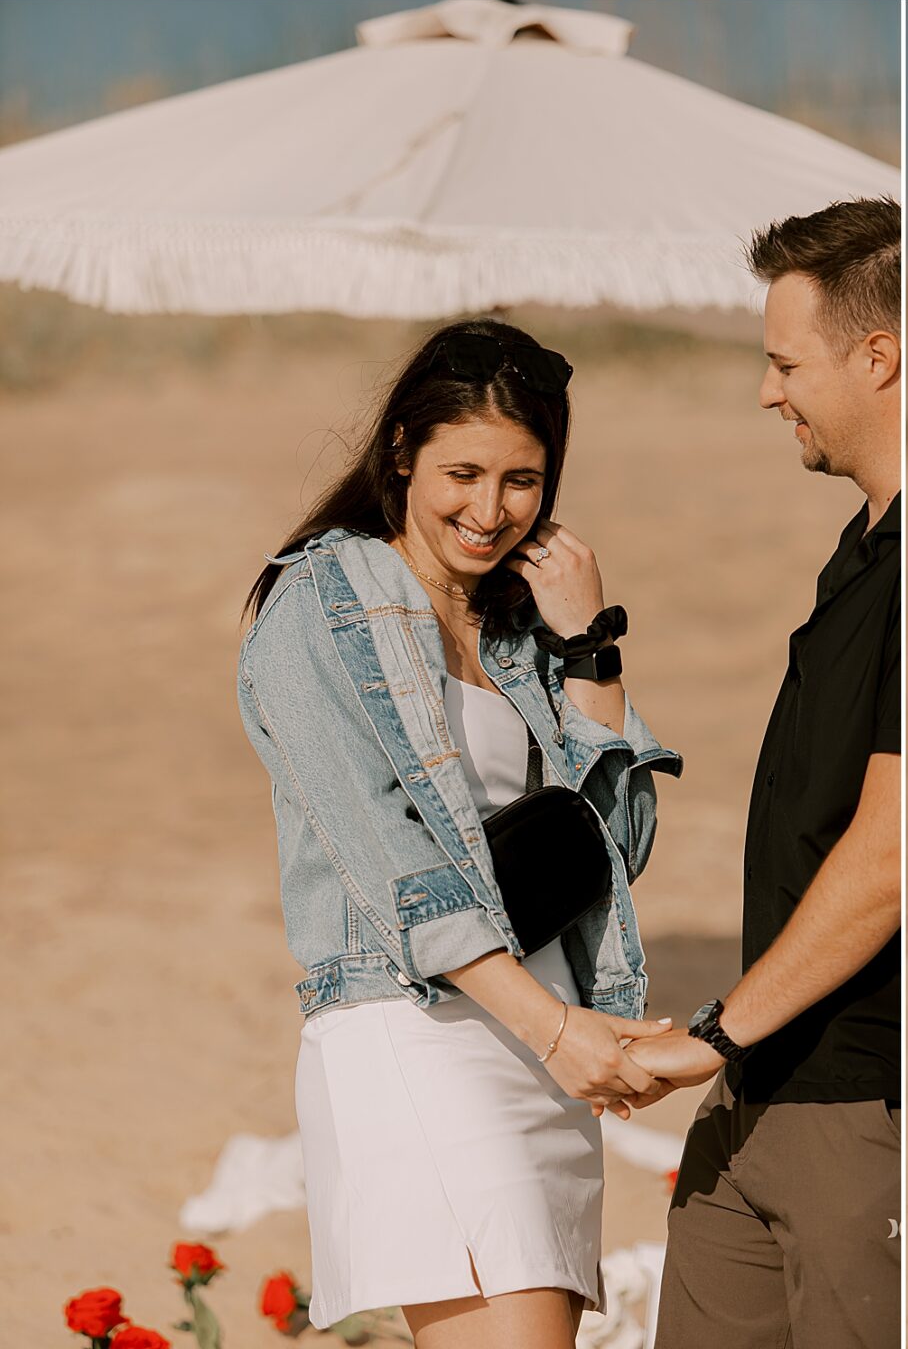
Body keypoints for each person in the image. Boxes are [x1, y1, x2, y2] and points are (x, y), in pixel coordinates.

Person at [238, 320, 681, 1349]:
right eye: (464, 472)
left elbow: (611, 845)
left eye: (522, 480)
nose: (490, 511)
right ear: (401, 451)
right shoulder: (317, 603)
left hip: (539, 1033)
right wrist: (557, 1031)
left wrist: (590, 645)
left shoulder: (522, 626)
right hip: (416, 1025)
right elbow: (392, 861)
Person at [628, 198, 902, 1349]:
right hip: (759, 1093)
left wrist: (712, 1035)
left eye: (785, 361)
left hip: (858, 1097)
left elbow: (890, 857)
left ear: (879, 357)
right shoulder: (863, 547)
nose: (766, 390)